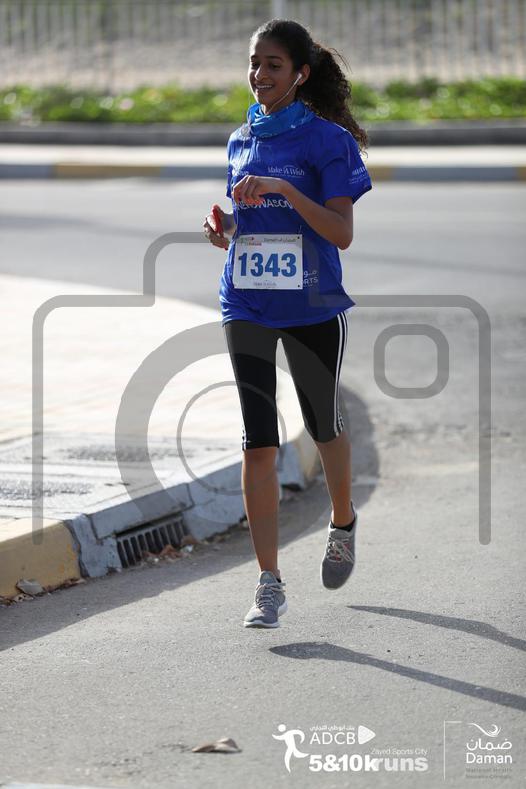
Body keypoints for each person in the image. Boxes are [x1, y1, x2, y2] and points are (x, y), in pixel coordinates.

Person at [203, 18, 372, 629]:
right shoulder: (239, 138)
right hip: (246, 301)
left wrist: (285, 189)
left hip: (311, 304)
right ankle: (268, 582)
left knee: (323, 424)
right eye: (254, 63)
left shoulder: (328, 142)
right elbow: (248, 222)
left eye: (272, 65)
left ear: (300, 74)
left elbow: (341, 233)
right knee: (258, 441)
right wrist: (225, 230)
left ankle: (343, 520)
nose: (259, 75)